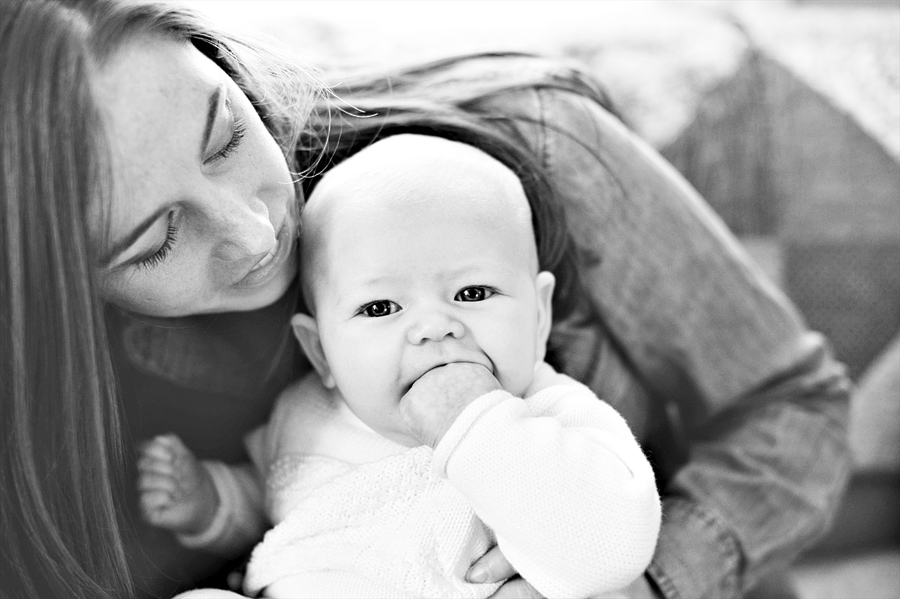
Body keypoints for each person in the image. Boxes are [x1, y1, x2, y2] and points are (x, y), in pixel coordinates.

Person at [0, 1, 851, 598]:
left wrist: (657, 580)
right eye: (157, 240)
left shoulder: (533, 147)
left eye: (224, 137)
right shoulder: (60, 411)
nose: (254, 230)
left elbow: (792, 406)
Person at [136, 134, 662, 598]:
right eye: (381, 308)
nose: (434, 328)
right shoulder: (302, 414)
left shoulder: (555, 417)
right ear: (320, 352)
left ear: (539, 315)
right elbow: (276, 511)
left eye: (473, 292)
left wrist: (478, 426)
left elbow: (614, 543)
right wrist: (210, 503)